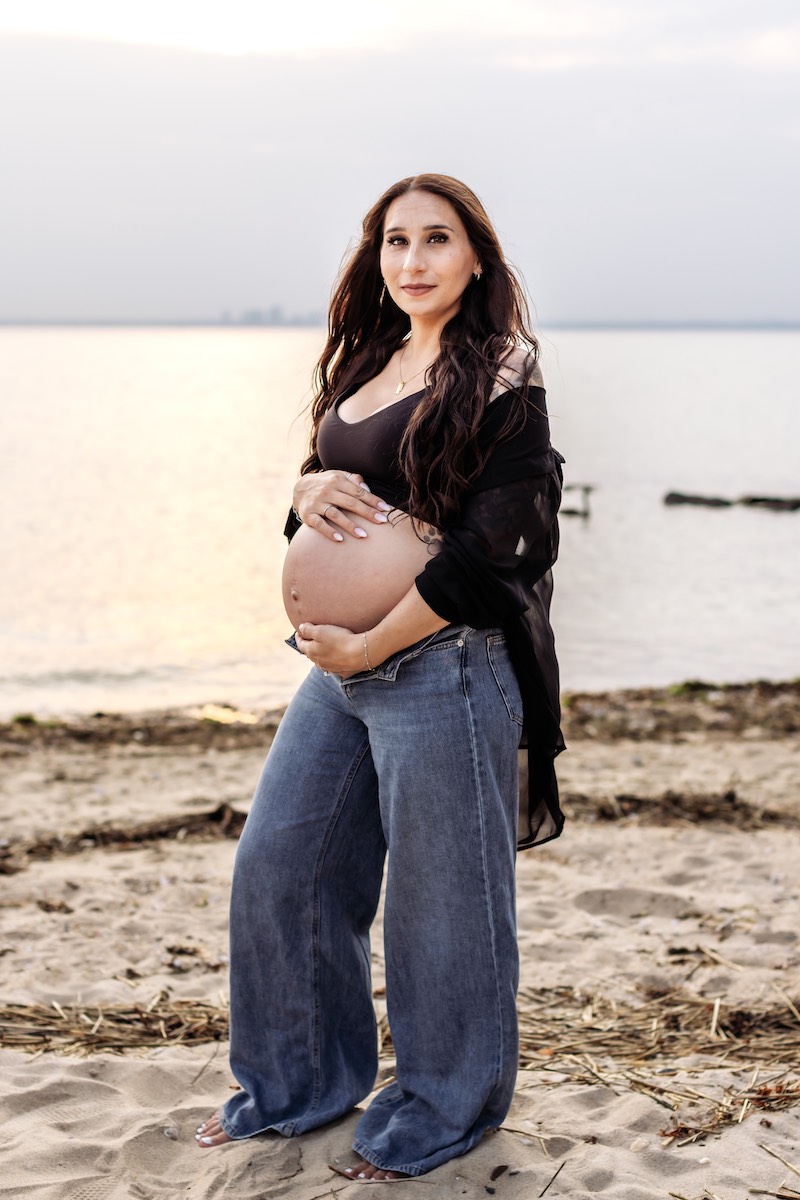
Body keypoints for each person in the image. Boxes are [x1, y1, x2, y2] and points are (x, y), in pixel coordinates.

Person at [196, 173, 565, 1180]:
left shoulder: (500, 372)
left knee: (441, 904)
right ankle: (297, 1084)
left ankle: (447, 1105)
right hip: (339, 672)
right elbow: (343, 505)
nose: (411, 261)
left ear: (474, 258)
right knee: (281, 865)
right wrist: (306, 488)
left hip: (441, 662)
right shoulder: (369, 358)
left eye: (434, 240)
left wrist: (374, 640)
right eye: (394, 242)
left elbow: (501, 546)